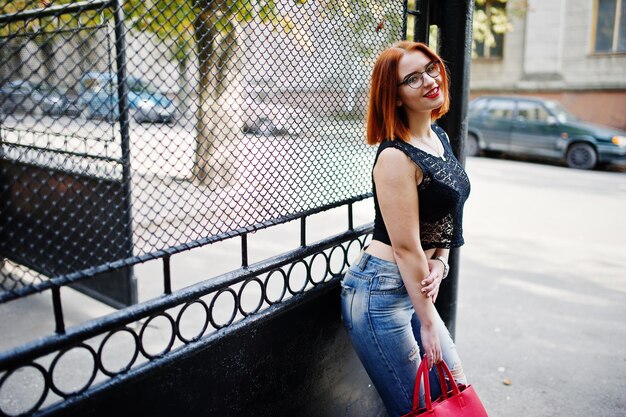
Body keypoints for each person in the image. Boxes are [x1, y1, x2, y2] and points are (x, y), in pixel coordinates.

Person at [340, 41, 471, 417]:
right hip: (382, 292)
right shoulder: (396, 157)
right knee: (420, 408)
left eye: (431, 68)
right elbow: (406, 247)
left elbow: (451, 208)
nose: (429, 80)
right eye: (412, 79)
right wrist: (428, 321)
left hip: (417, 285)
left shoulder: (437, 137)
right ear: (394, 97)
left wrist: (442, 261)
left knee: (453, 389)